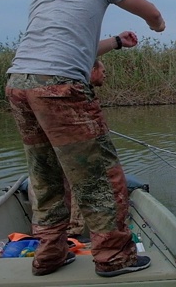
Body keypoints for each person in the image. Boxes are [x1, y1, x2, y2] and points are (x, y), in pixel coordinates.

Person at [5, 0, 165, 277]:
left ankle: (49, 253)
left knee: (44, 173)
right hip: (60, 88)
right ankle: (113, 258)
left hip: (19, 84)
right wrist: (158, 25)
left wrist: (119, 42)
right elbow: (150, 12)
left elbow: (73, 49)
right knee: (99, 178)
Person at [67, 59, 106, 240]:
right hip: (75, 151)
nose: (105, 74)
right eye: (102, 70)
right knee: (83, 181)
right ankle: (75, 232)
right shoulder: (77, 90)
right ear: (90, 70)